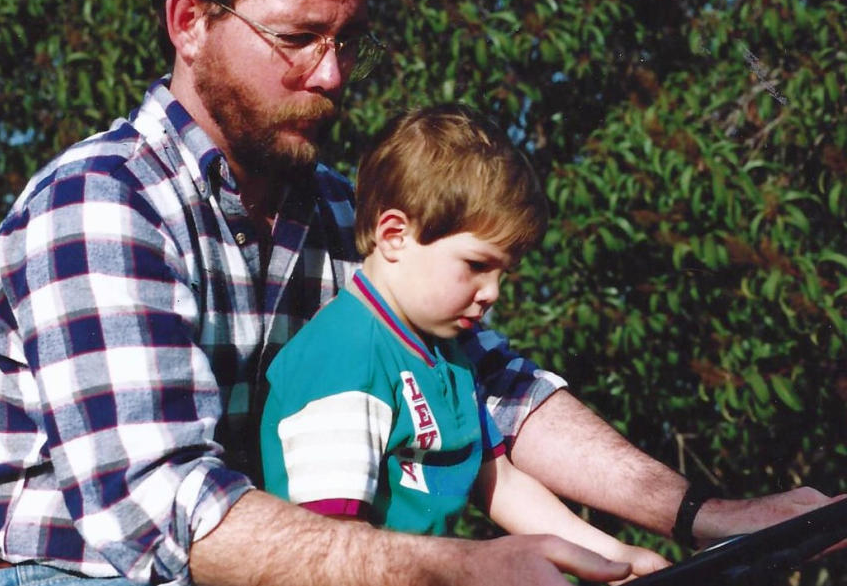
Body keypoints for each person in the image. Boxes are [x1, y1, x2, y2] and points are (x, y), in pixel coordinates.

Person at [0, 0, 839, 585]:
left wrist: (707, 514)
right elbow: (168, 510)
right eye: (297, 37)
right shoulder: (102, 207)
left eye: (347, 40)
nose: (330, 74)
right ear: (189, 23)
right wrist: (462, 566)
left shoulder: (333, 212)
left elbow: (499, 396)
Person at [260, 103, 671, 579]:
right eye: (477, 266)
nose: (492, 293)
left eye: (503, 274)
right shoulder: (344, 358)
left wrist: (614, 562)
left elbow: (500, 481)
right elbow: (334, 550)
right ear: (394, 235)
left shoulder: (445, 356)